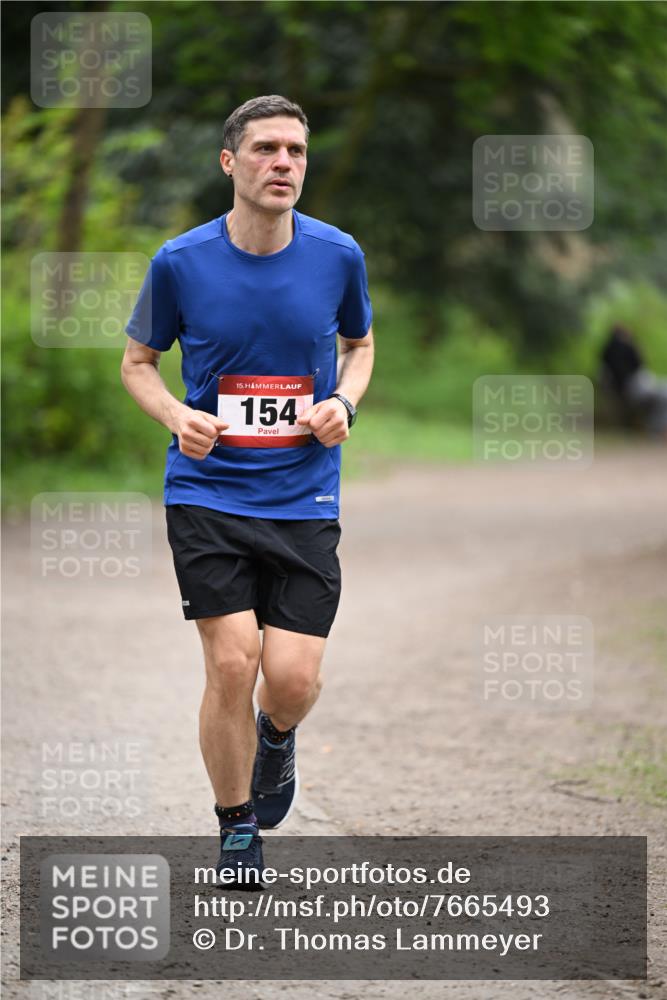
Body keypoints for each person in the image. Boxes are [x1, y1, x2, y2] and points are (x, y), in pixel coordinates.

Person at [121, 95, 374, 888]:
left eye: (296, 151)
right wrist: (175, 416)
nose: (284, 163)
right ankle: (236, 829)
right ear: (229, 163)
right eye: (266, 149)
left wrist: (344, 403)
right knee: (232, 663)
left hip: (304, 499)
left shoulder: (337, 256)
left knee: (291, 679)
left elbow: (359, 345)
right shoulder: (180, 262)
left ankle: (275, 735)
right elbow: (137, 363)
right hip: (207, 494)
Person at [600, 324, 667, 438]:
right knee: (664, 395)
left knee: (661, 395)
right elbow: (639, 365)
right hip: (633, 388)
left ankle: (657, 430)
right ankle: (658, 431)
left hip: (627, 389)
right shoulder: (624, 348)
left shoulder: (606, 350)